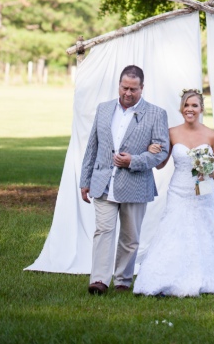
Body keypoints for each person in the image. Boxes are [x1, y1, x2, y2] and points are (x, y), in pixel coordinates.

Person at [132, 89, 214, 297]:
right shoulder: (171, 132)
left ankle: (209, 275)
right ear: (181, 108)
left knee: (205, 229)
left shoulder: (211, 135)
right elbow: (161, 165)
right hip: (178, 191)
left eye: (194, 106)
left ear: (201, 109)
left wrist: (208, 171)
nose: (190, 109)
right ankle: (169, 276)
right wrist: (152, 150)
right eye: (186, 105)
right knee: (174, 230)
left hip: (203, 193)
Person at [80, 65, 169, 294]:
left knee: (130, 237)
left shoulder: (156, 114)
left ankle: (122, 281)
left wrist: (134, 161)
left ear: (142, 88)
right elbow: (93, 145)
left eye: (133, 89)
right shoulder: (104, 109)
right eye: (124, 88)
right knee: (103, 230)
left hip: (135, 184)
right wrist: (85, 179)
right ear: (119, 85)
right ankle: (99, 280)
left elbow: (161, 151)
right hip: (102, 181)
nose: (128, 93)